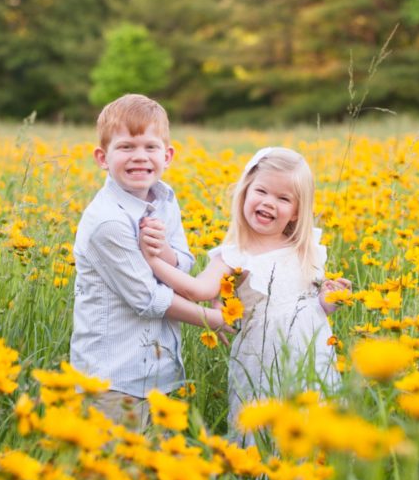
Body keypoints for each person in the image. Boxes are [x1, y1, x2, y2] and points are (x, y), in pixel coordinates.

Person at [139, 146, 351, 439]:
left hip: (312, 359)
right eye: (261, 191)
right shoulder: (235, 254)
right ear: (245, 192)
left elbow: (314, 310)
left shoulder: (304, 249)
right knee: (265, 430)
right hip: (262, 359)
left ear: (297, 212)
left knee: (313, 427)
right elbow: (198, 289)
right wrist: (154, 260)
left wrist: (329, 301)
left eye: (283, 198)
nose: (269, 203)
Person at [70, 93, 227, 430]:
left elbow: (182, 263)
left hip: (158, 374)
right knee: (113, 476)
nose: (139, 157)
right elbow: (147, 298)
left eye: (150, 147)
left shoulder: (165, 199)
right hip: (112, 380)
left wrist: (161, 253)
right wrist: (213, 319)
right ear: (102, 157)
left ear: (167, 155)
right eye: (126, 147)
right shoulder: (107, 222)